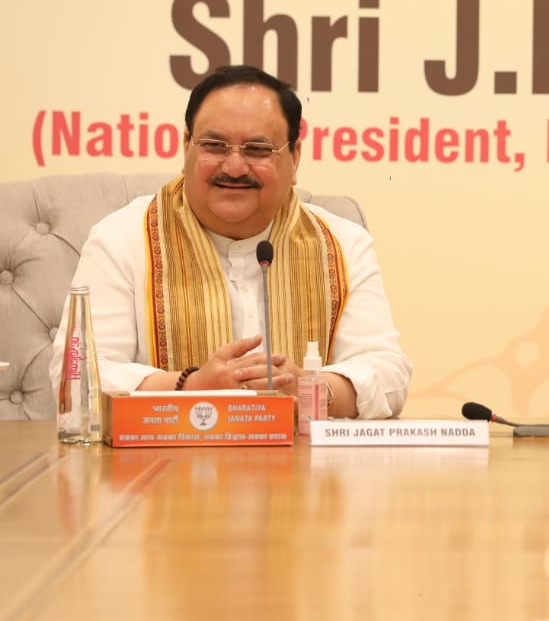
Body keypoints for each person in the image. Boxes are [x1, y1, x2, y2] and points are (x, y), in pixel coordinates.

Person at [51, 65, 412, 419]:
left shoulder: (343, 244)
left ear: (295, 157)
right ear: (186, 145)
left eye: (257, 149)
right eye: (214, 145)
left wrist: (316, 392)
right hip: (162, 473)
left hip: (306, 474)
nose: (235, 166)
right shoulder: (122, 238)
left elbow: (387, 371)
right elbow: (76, 376)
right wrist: (190, 389)